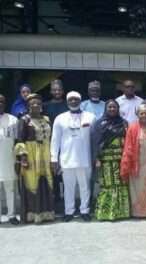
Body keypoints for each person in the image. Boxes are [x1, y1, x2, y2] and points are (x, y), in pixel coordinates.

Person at [51, 91, 96, 222]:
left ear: (80, 101)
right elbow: (55, 140)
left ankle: (84, 210)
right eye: (71, 99)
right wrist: (54, 158)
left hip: (85, 158)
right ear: (67, 101)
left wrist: (95, 157)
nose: (73, 102)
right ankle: (69, 211)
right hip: (66, 159)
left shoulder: (90, 117)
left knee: (85, 186)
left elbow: (95, 139)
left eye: (76, 99)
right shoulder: (60, 118)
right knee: (68, 187)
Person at [15, 94, 55, 224]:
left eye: (38, 103)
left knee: (46, 181)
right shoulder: (24, 120)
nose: (35, 105)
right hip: (31, 155)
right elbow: (19, 140)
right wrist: (23, 158)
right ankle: (33, 214)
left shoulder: (47, 119)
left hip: (46, 153)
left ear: (41, 106)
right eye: (32, 104)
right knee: (32, 183)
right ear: (28, 106)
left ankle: (46, 213)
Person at [90, 100, 130, 221]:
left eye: (114, 107)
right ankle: (105, 213)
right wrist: (96, 158)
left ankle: (122, 212)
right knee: (108, 185)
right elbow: (95, 142)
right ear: (106, 109)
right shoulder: (99, 124)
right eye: (110, 107)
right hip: (106, 160)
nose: (112, 109)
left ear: (118, 109)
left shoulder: (123, 123)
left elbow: (128, 140)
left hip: (120, 159)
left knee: (121, 184)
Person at [42, 79, 68, 212]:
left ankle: (67, 203)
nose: (57, 92)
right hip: (50, 143)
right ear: (51, 91)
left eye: (59, 89)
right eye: (54, 89)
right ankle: (56, 202)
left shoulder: (68, 105)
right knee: (53, 175)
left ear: (63, 91)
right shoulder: (45, 106)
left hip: (66, 144)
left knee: (66, 175)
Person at [0, 95, 19, 225]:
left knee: (10, 189)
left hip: (8, 159)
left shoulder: (13, 119)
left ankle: (12, 215)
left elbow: (18, 141)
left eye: (1, 101)